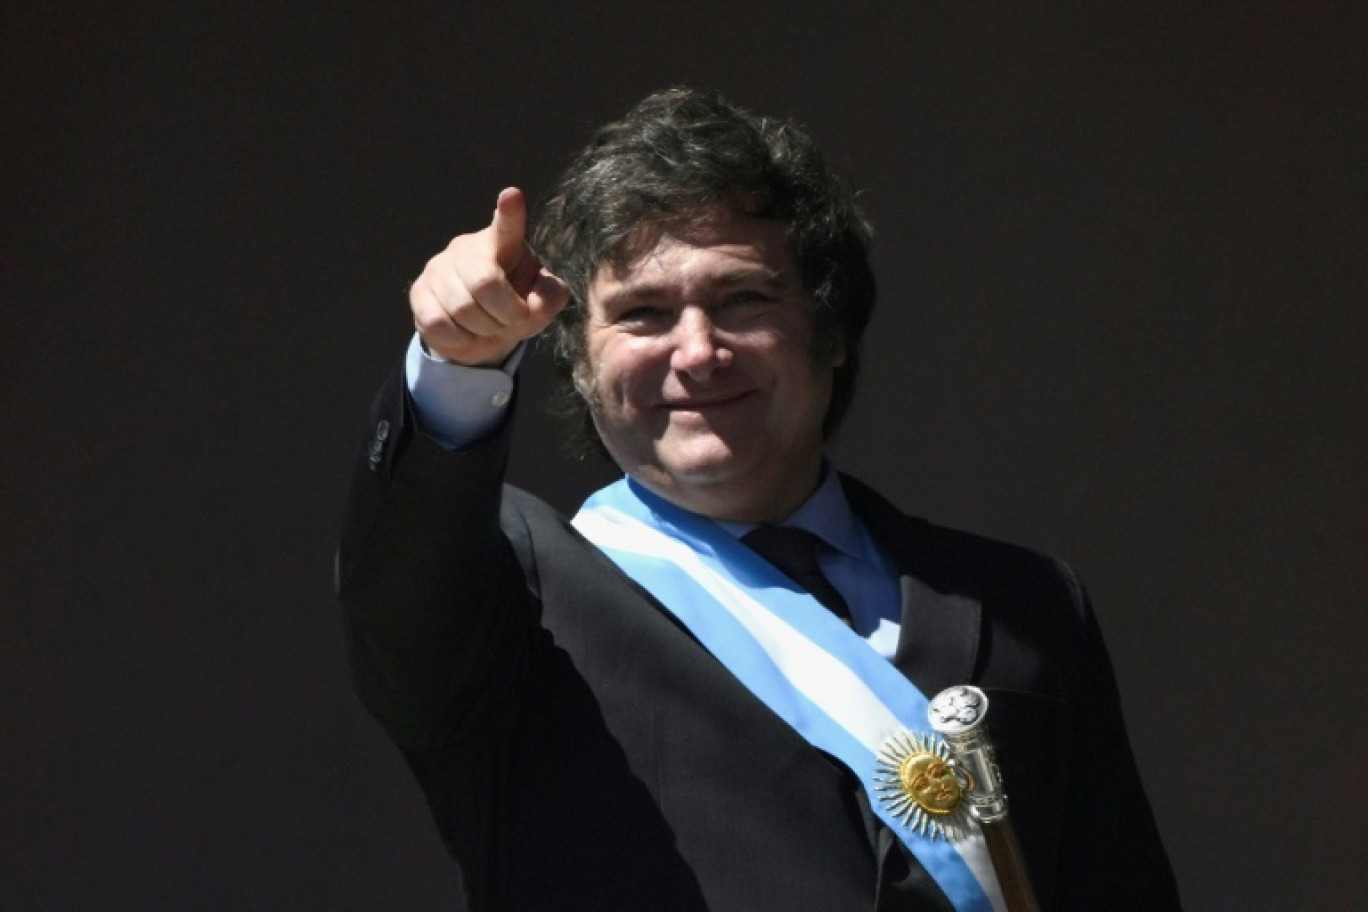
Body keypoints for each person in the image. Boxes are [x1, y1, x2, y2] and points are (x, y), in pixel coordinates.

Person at [336, 87, 1180, 911]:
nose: (698, 352)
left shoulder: (1027, 605)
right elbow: (404, 583)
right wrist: (455, 365)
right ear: (580, 362)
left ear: (831, 326)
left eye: (742, 298)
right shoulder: (513, 595)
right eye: (642, 314)